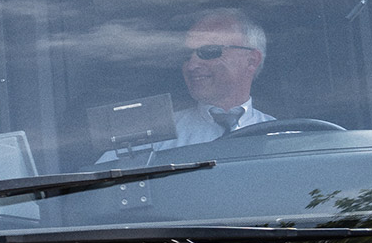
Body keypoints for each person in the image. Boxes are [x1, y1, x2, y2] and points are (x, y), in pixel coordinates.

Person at [111, 9, 276, 158]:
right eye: (187, 55)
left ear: (251, 61)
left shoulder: (284, 137)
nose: (192, 65)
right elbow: (99, 185)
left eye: (208, 51)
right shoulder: (152, 137)